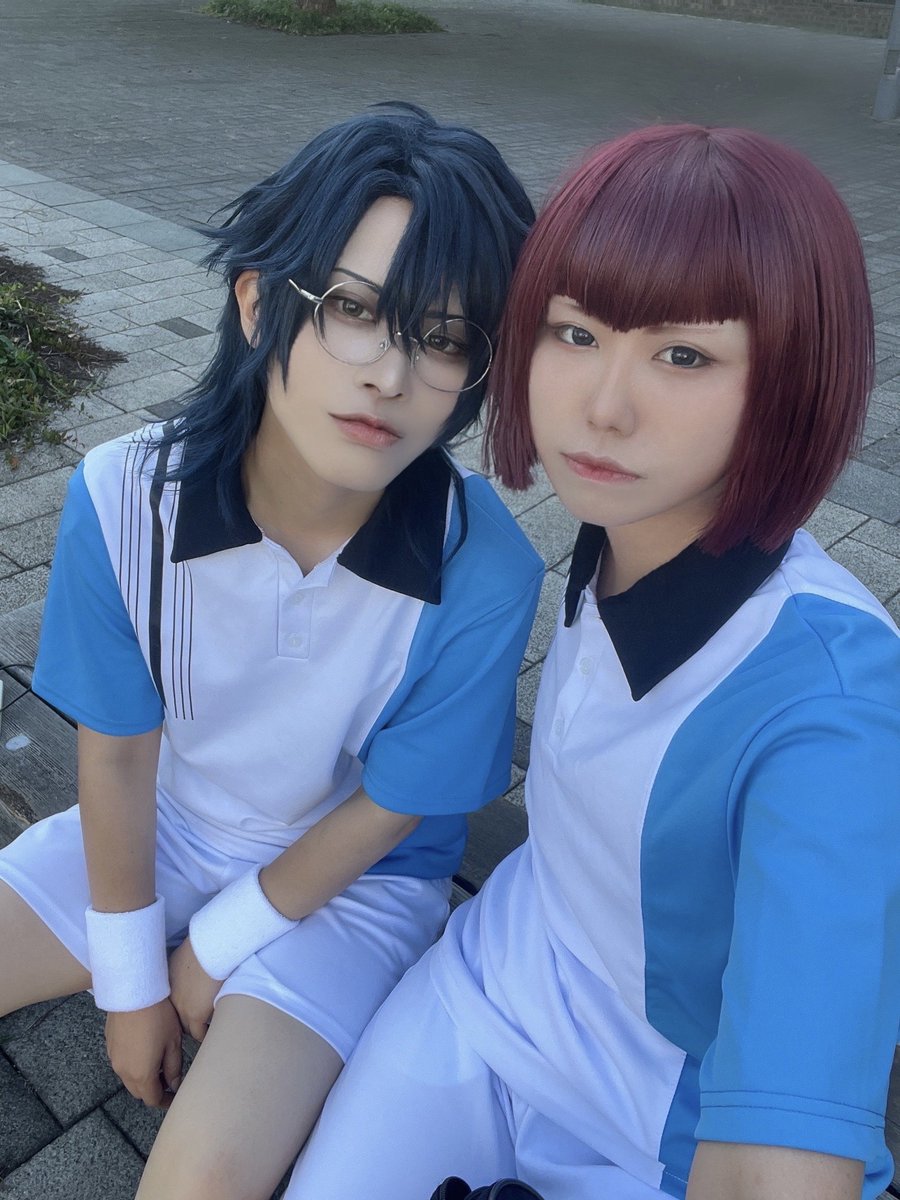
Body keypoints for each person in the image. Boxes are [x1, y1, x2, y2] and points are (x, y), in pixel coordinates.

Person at [284, 124, 900, 1200]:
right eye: (574, 333)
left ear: (792, 380)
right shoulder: (617, 531)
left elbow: (780, 1159)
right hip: (489, 990)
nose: (602, 407)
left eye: (684, 355)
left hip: (660, 1129)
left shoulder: (832, 712)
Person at [0, 103, 542, 1200]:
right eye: (354, 310)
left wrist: (209, 951)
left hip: (361, 886)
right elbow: (117, 755)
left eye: (443, 338)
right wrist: (132, 985)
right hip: (171, 821)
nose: (390, 374)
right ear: (257, 303)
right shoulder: (123, 497)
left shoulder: (485, 566)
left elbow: (393, 808)